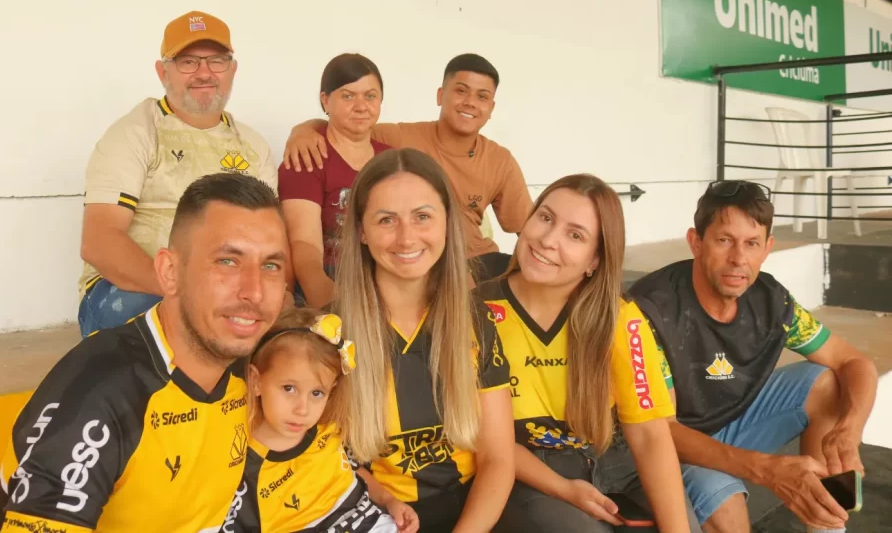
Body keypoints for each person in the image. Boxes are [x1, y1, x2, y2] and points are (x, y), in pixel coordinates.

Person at [0, 173, 290, 532]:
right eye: (227, 261)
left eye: (270, 266)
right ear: (170, 272)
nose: (253, 291)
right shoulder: (99, 393)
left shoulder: (255, 364)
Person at [628, 180, 879, 533]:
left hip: (731, 427)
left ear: (767, 248)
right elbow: (662, 431)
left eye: (751, 244)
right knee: (726, 506)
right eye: (724, 240)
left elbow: (854, 362)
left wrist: (850, 430)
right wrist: (764, 467)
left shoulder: (771, 300)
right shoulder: (650, 310)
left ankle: (826, 525)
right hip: (666, 447)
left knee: (828, 383)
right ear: (695, 242)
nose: (738, 259)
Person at [476, 174, 698, 533]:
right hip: (528, 470)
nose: (548, 241)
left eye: (575, 235)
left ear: (595, 259)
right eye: (545, 218)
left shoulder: (620, 317)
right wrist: (564, 489)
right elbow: (482, 438)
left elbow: (651, 437)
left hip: (615, 461)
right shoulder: (477, 310)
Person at [331, 147, 516, 533]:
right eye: (386, 220)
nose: (406, 237)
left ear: (447, 223)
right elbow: (325, 459)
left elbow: (498, 459)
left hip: (473, 508)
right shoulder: (330, 332)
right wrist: (384, 500)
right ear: (362, 231)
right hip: (379, 512)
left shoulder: (475, 320)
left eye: (422, 217)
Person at [77, 9, 283, 337]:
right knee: (160, 323)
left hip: (227, 289)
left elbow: (269, 241)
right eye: (187, 62)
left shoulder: (253, 146)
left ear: (232, 69)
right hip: (136, 290)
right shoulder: (135, 132)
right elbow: (99, 242)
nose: (204, 73)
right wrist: (185, 293)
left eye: (216, 60)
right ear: (163, 72)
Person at [282, 53, 532, 283]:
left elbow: (529, 230)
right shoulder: (400, 139)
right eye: (461, 91)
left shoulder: (500, 160)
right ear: (440, 95)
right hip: (415, 260)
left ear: (491, 108)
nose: (470, 103)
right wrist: (302, 131)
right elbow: (348, 126)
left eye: (482, 96)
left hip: (475, 259)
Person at [224, 308, 415, 533]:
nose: (302, 409)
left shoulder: (327, 430)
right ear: (256, 381)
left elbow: (351, 470)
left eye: (316, 393)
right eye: (289, 388)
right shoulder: (244, 467)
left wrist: (388, 500)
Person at [278, 53, 391, 308]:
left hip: (385, 276)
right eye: (348, 96)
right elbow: (303, 246)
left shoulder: (392, 160)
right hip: (329, 278)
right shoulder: (305, 158)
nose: (361, 106)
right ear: (325, 101)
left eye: (370, 96)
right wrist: (332, 305)